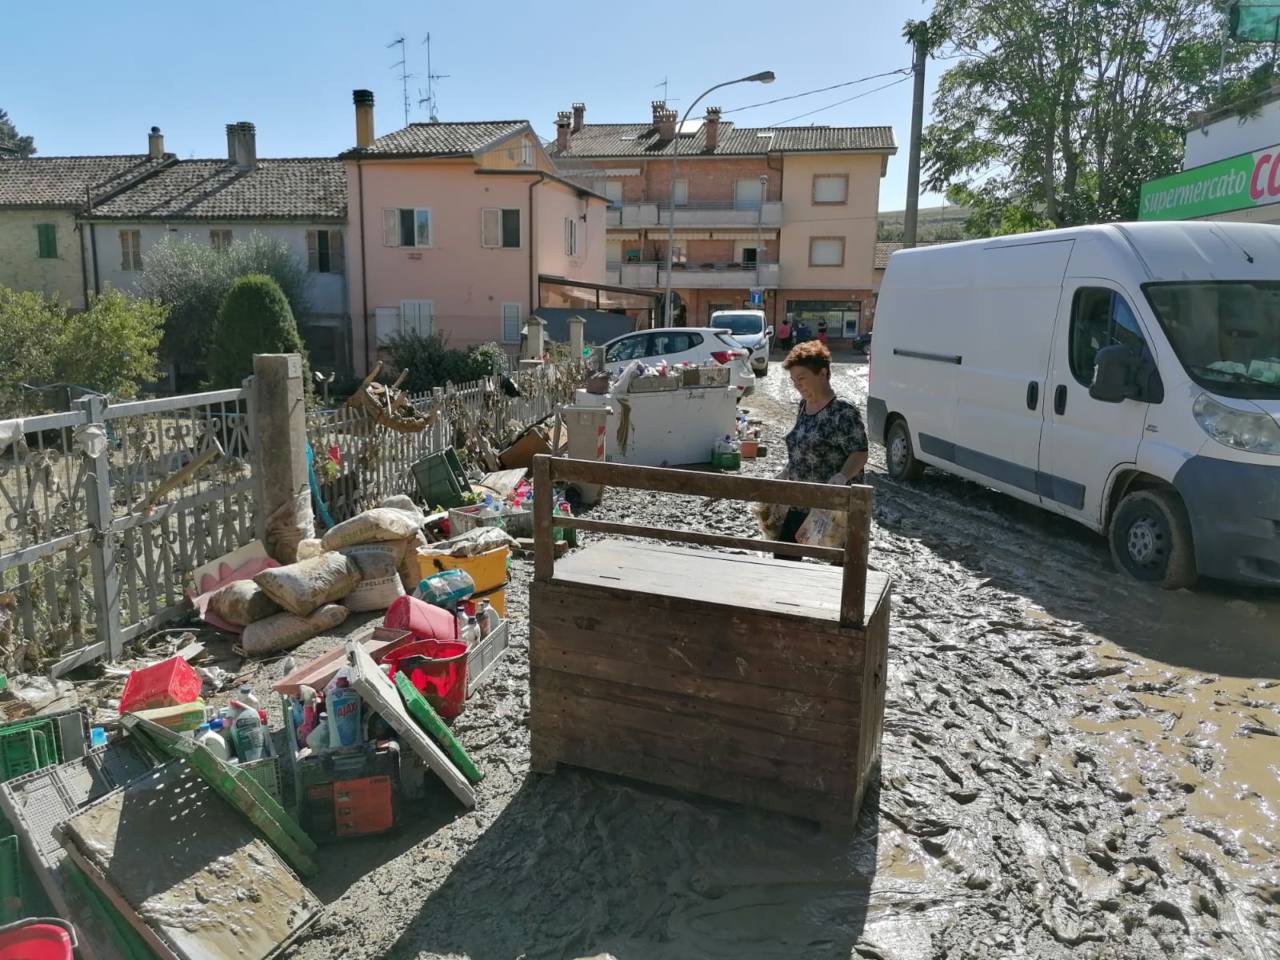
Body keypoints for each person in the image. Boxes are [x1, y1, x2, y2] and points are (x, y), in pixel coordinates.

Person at [776, 340, 868, 552]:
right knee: (784, 555)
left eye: (802, 378)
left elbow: (860, 452)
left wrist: (841, 477)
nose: (798, 385)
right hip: (800, 498)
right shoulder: (803, 405)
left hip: (831, 505)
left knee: (833, 564)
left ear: (823, 373)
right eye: (793, 381)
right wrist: (786, 472)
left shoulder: (842, 411)